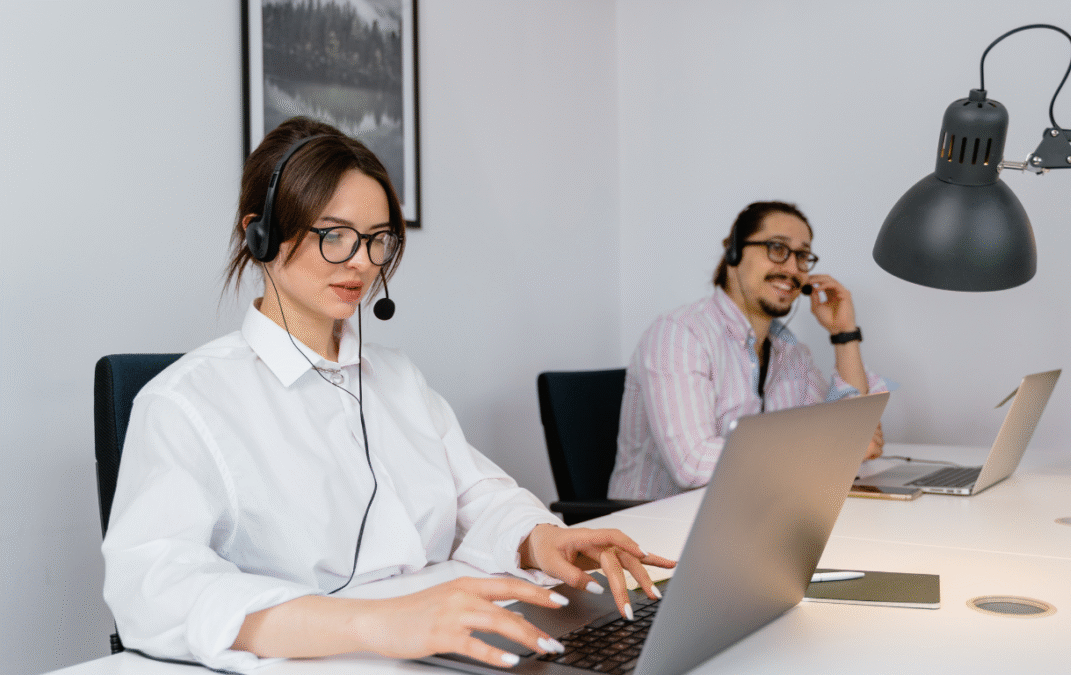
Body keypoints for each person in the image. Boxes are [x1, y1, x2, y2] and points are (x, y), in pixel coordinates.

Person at [102, 117, 673, 673]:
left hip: (449, 643)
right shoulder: (186, 402)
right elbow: (155, 590)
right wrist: (371, 624)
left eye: (377, 240)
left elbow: (478, 495)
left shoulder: (396, 378)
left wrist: (539, 538)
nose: (361, 262)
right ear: (262, 234)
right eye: (334, 236)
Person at [608, 201, 888, 501]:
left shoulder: (792, 353)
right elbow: (693, 465)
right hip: (653, 528)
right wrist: (827, 447)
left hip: (750, 513)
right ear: (734, 253)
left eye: (803, 256)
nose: (793, 269)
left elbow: (854, 430)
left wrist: (843, 333)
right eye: (777, 248)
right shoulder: (680, 334)